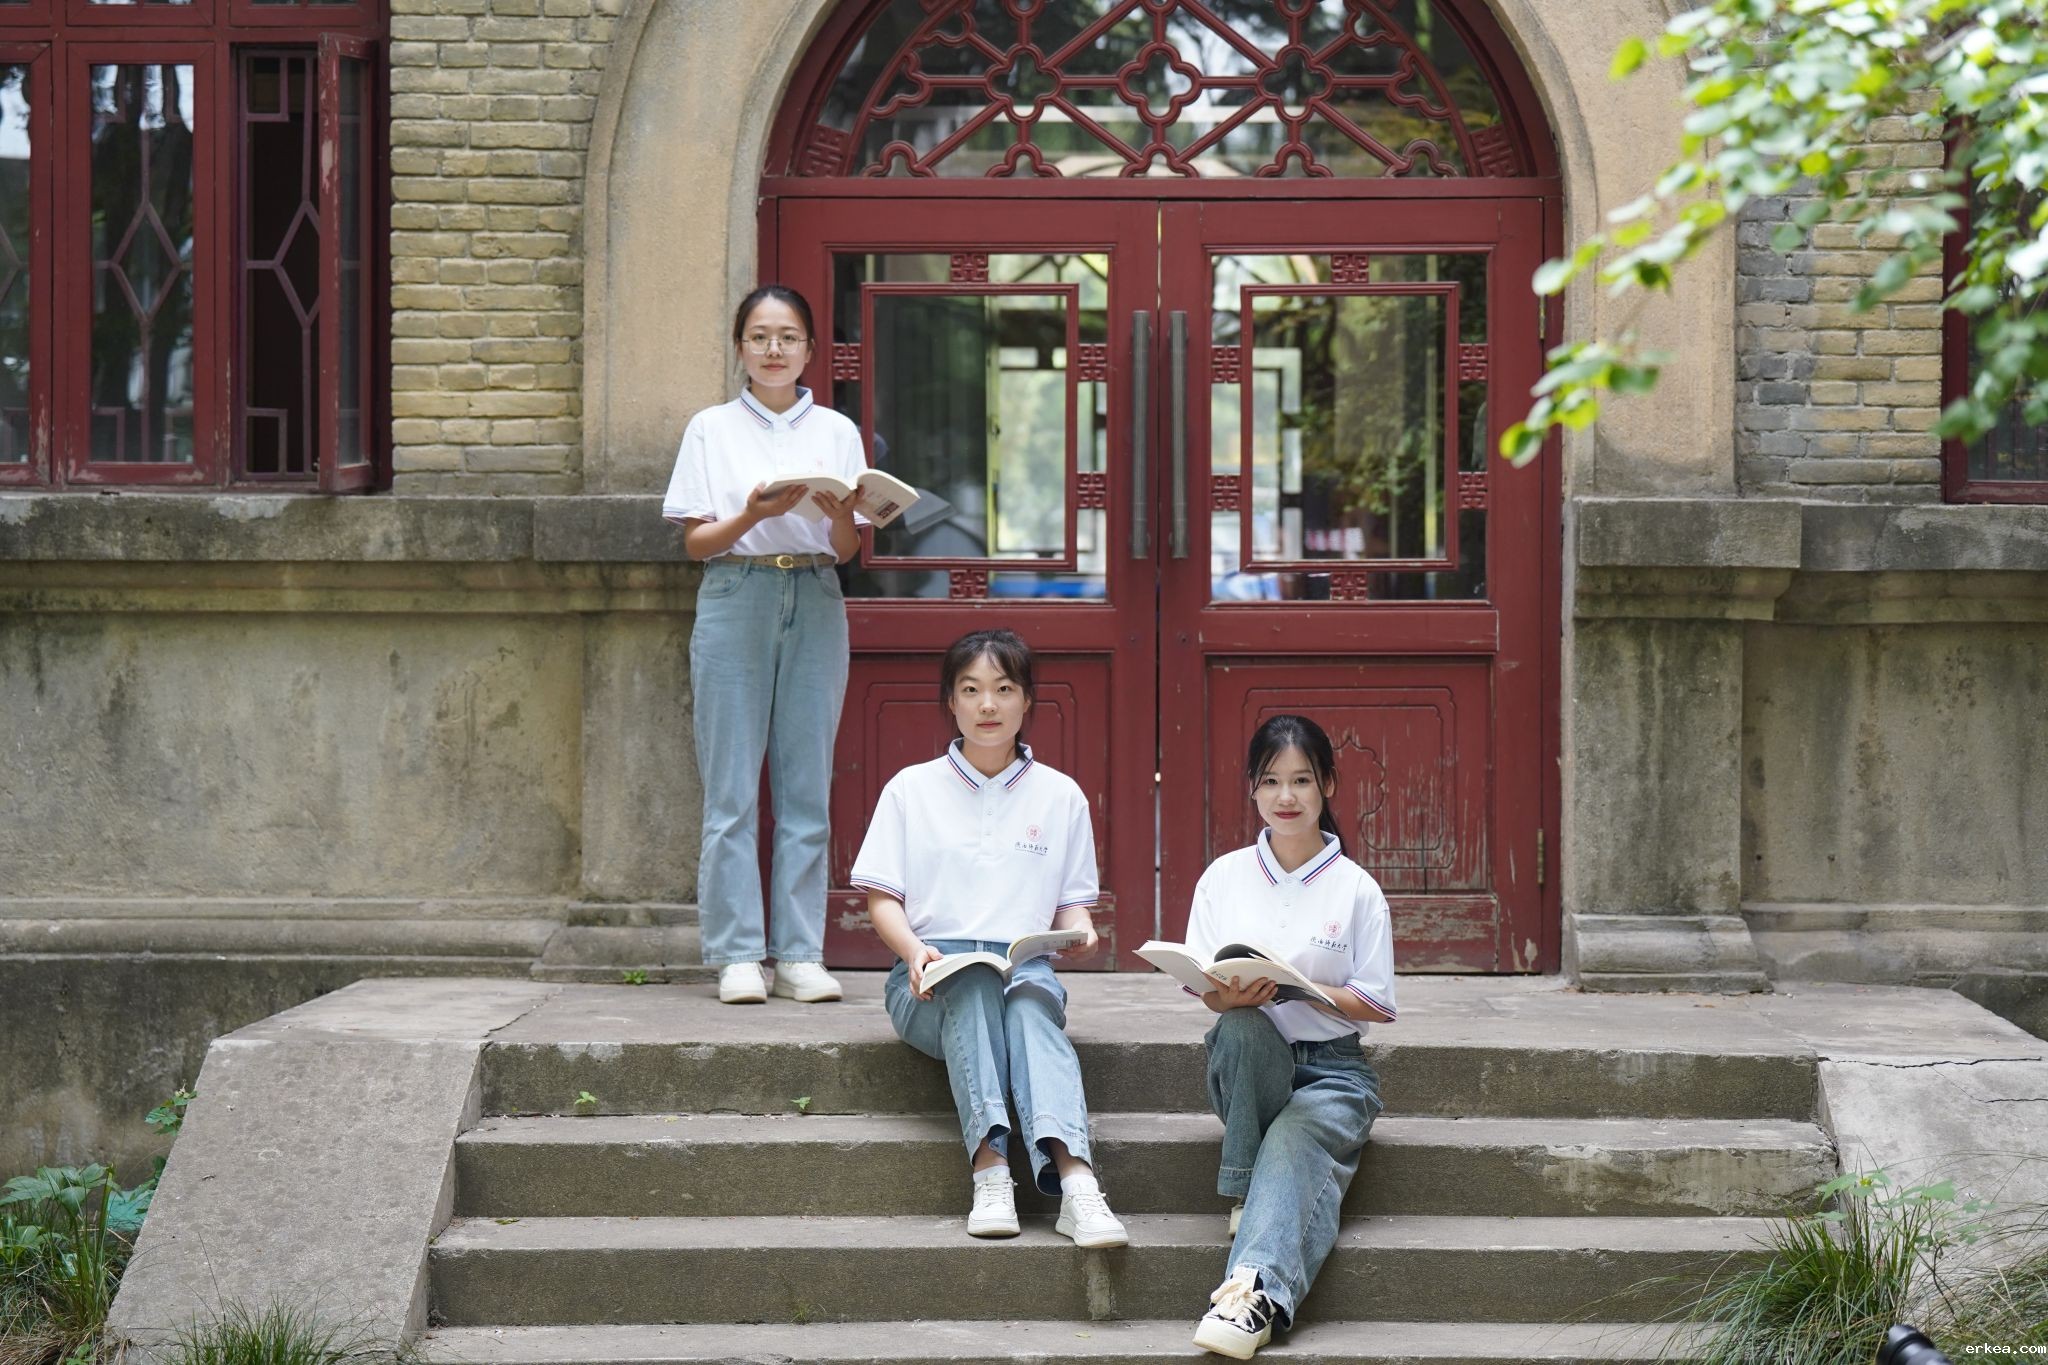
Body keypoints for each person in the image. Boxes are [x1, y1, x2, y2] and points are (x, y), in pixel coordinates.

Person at [849, 628, 1128, 1248]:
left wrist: (1077, 932)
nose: (988, 705)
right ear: (950, 700)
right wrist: (915, 953)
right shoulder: (910, 789)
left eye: (1004, 690)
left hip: (1025, 970)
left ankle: (1078, 1187)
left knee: (1029, 1007)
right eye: (971, 690)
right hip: (928, 980)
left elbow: (1075, 905)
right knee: (971, 979)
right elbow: (882, 900)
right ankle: (991, 1171)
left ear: (1027, 700)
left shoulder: (1061, 796)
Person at [662, 284, 864, 1006]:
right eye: (759, 336)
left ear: (811, 349)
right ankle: (738, 953)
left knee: (807, 785)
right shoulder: (711, 429)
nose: (774, 350)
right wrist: (751, 511)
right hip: (734, 593)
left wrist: (843, 513)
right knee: (731, 787)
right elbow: (695, 542)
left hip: (813, 595)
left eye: (788, 337)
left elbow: (843, 549)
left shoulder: (836, 431)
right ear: (740, 346)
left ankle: (802, 952)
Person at [1181, 714, 1397, 1359]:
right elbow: (1206, 988)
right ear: (1252, 788)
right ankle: (1250, 1188)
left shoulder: (1357, 889)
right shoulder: (1223, 876)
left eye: (1302, 780)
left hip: (1334, 1071)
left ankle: (1253, 1297)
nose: (1287, 796)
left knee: (1299, 1134)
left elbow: (1377, 1005)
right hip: (1253, 1066)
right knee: (1241, 1025)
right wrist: (1233, 994)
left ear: (1327, 784)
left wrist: (1305, 988)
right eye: (1272, 781)